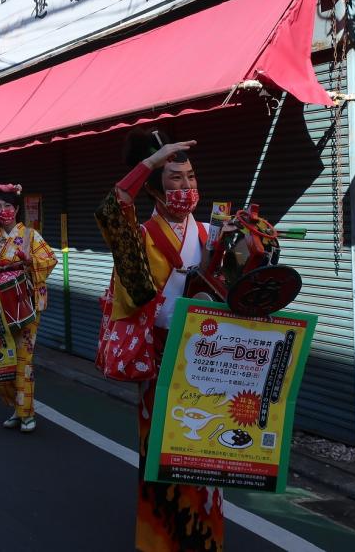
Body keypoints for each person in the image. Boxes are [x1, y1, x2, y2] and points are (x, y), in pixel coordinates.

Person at [94, 129, 225, 551]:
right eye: (174, 178)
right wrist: (152, 160)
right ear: (153, 185)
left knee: (206, 446)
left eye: (189, 177)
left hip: (207, 357)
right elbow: (112, 209)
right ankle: (161, 538)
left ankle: (205, 536)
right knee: (163, 448)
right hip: (162, 356)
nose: (185, 187)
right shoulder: (140, 235)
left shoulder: (212, 233)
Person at [0, 184, 57, 433]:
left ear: (16, 209)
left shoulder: (31, 236)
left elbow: (49, 261)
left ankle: (26, 413)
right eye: (0, 207)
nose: (4, 211)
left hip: (26, 303)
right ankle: (17, 408)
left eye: (8, 206)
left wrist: (30, 260)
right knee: (1, 359)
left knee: (24, 359)